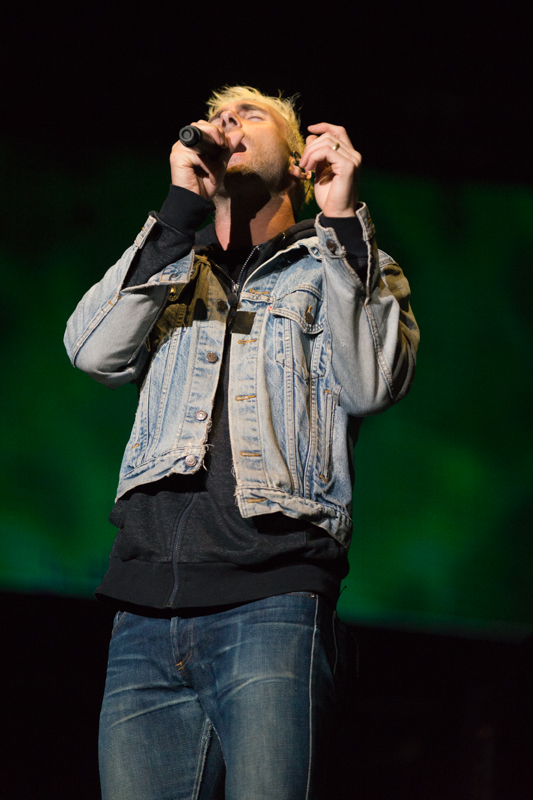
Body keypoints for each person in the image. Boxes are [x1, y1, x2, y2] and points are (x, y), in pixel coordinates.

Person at [64, 85, 419, 800]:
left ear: (297, 163)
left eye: (249, 115)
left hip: (272, 599)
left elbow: (374, 383)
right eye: (218, 116)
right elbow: (91, 351)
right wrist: (176, 213)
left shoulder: (339, 264)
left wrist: (341, 219)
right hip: (143, 608)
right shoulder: (173, 263)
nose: (226, 123)